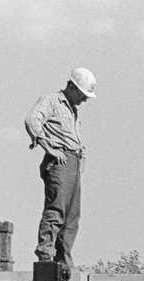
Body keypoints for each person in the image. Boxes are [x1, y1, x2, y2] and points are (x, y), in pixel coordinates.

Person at [25, 67, 96, 269]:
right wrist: (49, 147)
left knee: (72, 216)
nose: (84, 100)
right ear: (72, 86)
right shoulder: (51, 101)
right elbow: (32, 119)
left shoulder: (73, 109)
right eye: (83, 95)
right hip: (60, 161)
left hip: (73, 162)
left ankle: (63, 259)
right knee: (56, 210)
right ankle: (46, 254)